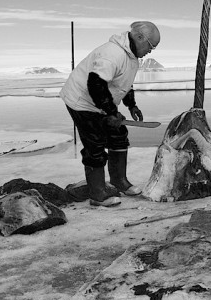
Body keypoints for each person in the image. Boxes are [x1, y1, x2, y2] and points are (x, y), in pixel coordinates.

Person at [60, 21, 161, 207]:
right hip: (81, 101)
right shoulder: (112, 54)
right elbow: (95, 85)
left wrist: (131, 105)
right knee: (95, 143)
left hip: (99, 102)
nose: (151, 51)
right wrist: (111, 113)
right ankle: (97, 194)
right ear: (139, 38)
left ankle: (118, 181)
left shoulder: (131, 58)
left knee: (118, 134)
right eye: (151, 46)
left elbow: (124, 84)